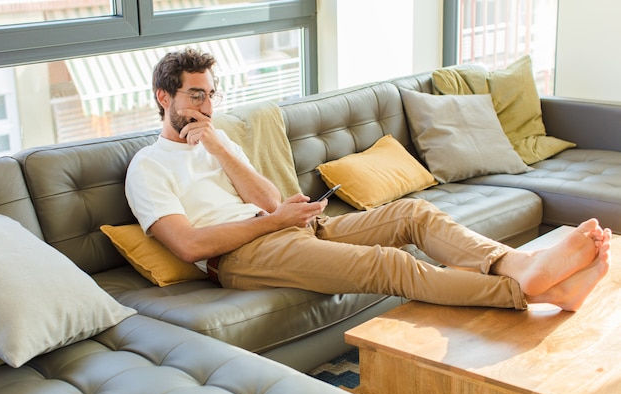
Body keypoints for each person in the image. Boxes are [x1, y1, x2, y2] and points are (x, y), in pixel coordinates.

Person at [125, 47, 612, 312]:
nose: (206, 108)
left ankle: (516, 265)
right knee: (389, 265)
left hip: (289, 228)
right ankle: (529, 289)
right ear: (164, 97)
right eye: (194, 97)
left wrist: (217, 147)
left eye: (211, 96)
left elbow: (267, 198)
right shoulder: (147, 167)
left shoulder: (217, 139)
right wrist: (273, 223)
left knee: (414, 213)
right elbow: (187, 246)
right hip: (240, 256)